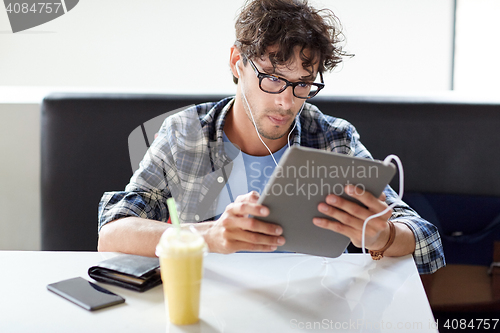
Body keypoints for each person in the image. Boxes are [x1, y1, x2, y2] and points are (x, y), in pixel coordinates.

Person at [98, 0, 445, 274]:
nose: (285, 101)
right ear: (237, 63)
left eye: (302, 84)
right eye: (273, 78)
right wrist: (211, 236)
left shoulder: (332, 137)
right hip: (209, 306)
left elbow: (426, 240)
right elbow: (113, 233)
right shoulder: (184, 134)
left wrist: (382, 236)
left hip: (308, 309)